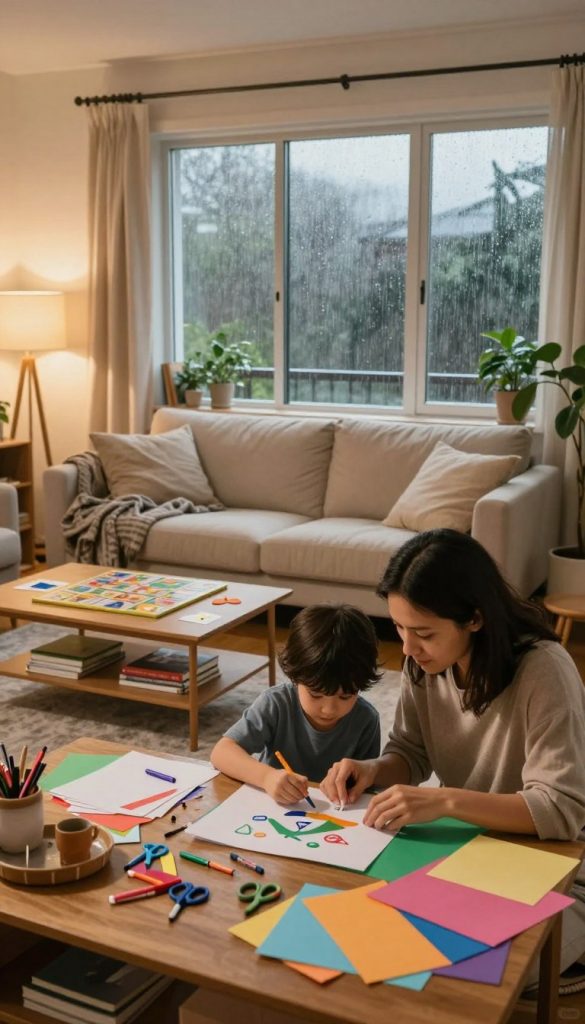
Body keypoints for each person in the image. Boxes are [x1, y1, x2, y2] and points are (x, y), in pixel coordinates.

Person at [320, 528, 585, 984]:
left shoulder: (544, 670)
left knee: (476, 968)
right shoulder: (424, 663)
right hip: (471, 849)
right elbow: (410, 751)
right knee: (362, 924)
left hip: (558, 865)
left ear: (475, 619)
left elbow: (560, 811)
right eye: (399, 628)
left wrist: (445, 801)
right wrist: (372, 770)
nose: (406, 647)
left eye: (422, 633)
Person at [211, 603, 381, 805]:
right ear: (295, 677)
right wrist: (267, 777)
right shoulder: (276, 704)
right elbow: (221, 752)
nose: (329, 709)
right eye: (315, 694)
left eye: (345, 696)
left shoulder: (366, 720)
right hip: (270, 808)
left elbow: (366, 786)